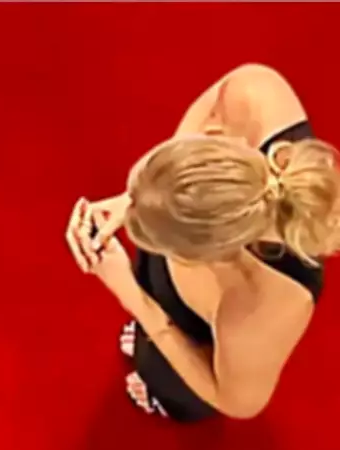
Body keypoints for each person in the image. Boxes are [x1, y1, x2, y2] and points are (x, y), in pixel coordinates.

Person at [66, 64, 340, 422]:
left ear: (209, 255)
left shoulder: (262, 305)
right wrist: (141, 199)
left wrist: (134, 297)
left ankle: (162, 390)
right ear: (214, 139)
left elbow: (237, 402)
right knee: (155, 298)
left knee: (168, 374)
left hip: (207, 338)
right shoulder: (252, 94)